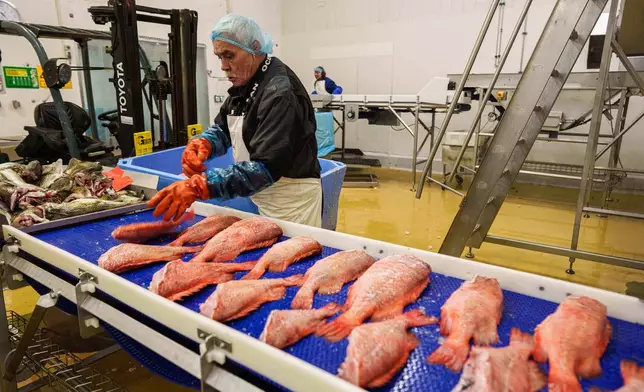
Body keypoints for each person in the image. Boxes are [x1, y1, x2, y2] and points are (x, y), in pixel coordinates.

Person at [148, 14, 322, 227]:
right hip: (262, 193)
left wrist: (201, 186)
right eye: (219, 56)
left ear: (254, 48)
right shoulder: (247, 80)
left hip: (291, 202)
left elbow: (267, 167)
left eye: (229, 55)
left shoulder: (280, 92)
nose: (223, 66)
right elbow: (225, 128)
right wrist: (205, 143)